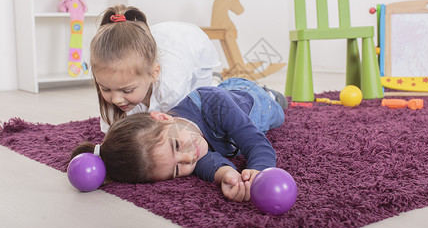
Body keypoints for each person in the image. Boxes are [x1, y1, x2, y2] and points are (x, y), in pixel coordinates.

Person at [71, 78, 286, 202]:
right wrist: (229, 176)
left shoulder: (217, 106)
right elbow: (208, 164)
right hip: (223, 102)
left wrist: (258, 172)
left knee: (279, 113)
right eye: (176, 170)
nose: (189, 157)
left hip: (250, 100)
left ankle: (268, 92)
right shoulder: (183, 150)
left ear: (163, 117)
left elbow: (256, 143)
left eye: (176, 145)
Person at [90, 4, 221, 133]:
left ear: (154, 73)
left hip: (193, 45)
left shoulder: (172, 87)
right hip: (162, 42)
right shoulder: (113, 83)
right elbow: (112, 134)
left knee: (203, 106)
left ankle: (215, 82)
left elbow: (181, 131)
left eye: (127, 90)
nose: (116, 99)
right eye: (105, 89)